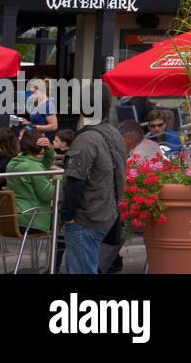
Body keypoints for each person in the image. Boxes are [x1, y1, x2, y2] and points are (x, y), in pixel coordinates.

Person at [59, 91, 127, 275]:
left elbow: (75, 180)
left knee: (81, 269)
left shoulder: (85, 139)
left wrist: (67, 215)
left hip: (86, 218)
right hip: (107, 214)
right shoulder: (114, 133)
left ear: (82, 110)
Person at [5, 128, 57, 233]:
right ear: (40, 147)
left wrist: (49, 150)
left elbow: (43, 166)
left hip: (11, 220)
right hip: (32, 221)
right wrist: (58, 178)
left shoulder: (12, 163)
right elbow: (47, 195)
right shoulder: (34, 167)